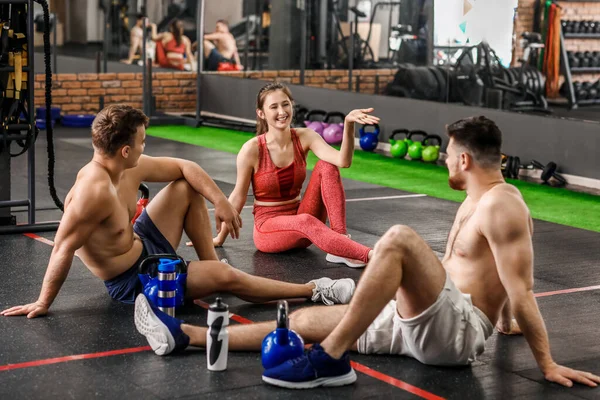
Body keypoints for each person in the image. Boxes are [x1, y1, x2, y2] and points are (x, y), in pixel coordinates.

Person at [135, 116, 600, 389]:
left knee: (398, 238)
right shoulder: (477, 199)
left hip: (453, 332)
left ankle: (331, 359)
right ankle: (189, 338)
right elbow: (496, 277)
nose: (442, 161)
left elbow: (520, 288)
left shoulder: (503, 205)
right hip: (425, 320)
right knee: (301, 323)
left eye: (447, 154)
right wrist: (504, 322)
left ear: (463, 159)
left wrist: (546, 364)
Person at [0, 104, 357, 320]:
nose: (145, 146)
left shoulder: (125, 168)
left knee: (187, 187)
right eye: (141, 141)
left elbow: (186, 167)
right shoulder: (93, 192)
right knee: (229, 280)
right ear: (125, 150)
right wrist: (43, 302)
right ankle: (313, 289)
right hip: (134, 280)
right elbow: (63, 246)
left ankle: (210, 269)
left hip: (143, 242)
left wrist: (220, 201)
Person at [189, 82, 378, 268]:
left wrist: (348, 124)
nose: (282, 111)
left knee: (327, 165)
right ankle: (374, 256)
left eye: (285, 104)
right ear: (261, 113)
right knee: (305, 221)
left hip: (303, 223)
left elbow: (343, 161)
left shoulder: (305, 136)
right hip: (269, 230)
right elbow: (238, 196)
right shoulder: (252, 149)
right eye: (274, 107)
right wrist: (219, 238)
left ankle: (340, 242)